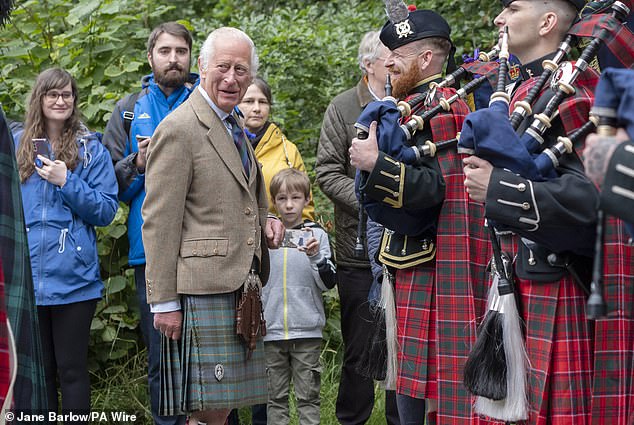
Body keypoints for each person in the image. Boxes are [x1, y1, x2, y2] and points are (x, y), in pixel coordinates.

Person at [462, 1, 626, 423]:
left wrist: (497, 188)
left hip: (557, 283)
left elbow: (592, 202)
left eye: (512, 8)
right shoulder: (521, 92)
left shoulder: (580, 89)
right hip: (512, 283)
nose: (499, 19)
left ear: (547, 21)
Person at [350, 7, 488, 424]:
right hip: (410, 260)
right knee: (411, 383)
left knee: (429, 392)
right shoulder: (413, 104)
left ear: (426, 58)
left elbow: (438, 192)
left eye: (397, 53)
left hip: (435, 263)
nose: (387, 61)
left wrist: (376, 165)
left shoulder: (441, 110)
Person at [141, 27, 284, 425]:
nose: (232, 77)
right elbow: (158, 220)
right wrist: (164, 301)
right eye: (223, 66)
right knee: (207, 413)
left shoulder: (233, 123)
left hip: (241, 287)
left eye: (242, 69)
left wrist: (266, 222)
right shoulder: (180, 128)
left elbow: (234, 199)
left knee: (222, 410)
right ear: (201, 67)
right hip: (202, 288)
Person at [102, 21, 198, 425]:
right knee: (161, 358)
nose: (173, 58)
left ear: (191, 57)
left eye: (180, 51)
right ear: (150, 57)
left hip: (203, 247)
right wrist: (138, 163)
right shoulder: (128, 110)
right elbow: (110, 188)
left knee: (208, 357)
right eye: (165, 51)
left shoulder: (206, 100)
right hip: (150, 252)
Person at [13, 68, 118, 418]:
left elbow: (105, 210)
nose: (60, 101)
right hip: (27, 278)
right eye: (52, 94)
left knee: (71, 371)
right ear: (39, 99)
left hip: (73, 280)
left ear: (74, 101)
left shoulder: (91, 150)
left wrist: (66, 180)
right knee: (36, 375)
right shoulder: (17, 146)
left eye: (67, 95)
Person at [315, 30, 400, 425]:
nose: (397, 64)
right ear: (368, 65)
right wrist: (372, 197)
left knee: (407, 349)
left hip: (407, 248)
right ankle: (353, 419)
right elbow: (327, 173)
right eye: (389, 58)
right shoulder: (344, 106)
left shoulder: (410, 102)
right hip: (357, 253)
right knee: (360, 352)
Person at [262, 168, 336, 425]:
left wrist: (315, 256)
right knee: (275, 398)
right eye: (282, 198)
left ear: (307, 199)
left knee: (308, 398)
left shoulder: (318, 235)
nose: (289, 205)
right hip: (271, 332)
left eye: (295, 197)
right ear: (274, 201)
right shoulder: (266, 236)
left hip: (307, 333)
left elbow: (328, 283)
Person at [239, 77, 315, 221]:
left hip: (278, 237)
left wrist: (300, 234)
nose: (256, 108)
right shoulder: (225, 143)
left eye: (262, 102)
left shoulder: (287, 150)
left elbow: (305, 203)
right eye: (249, 101)